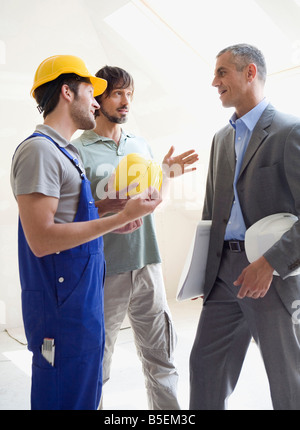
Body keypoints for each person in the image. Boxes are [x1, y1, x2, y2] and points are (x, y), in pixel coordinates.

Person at [10, 55, 162, 411]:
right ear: (66, 92)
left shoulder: (65, 153)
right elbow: (42, 238)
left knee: (84, 396)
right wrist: (120, 216)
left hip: (82, 299)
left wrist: (109, 207)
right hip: (59, 306)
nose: (96, 103)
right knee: (63, 397)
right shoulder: (38, 151)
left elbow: (68, 214)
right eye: (90, 94)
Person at [73, 65, 198, 410]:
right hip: (103, 268)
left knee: (162, 358)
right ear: (98, 99)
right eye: (117, 93)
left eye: (130, 94)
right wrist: (112, 208)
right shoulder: (77, 150)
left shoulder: (140, 145)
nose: (126, 101)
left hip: (148, 262)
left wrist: (167, 175)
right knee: (97, 362)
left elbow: (154, 202)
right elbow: (72, 215)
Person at [189, 43, 300, 410]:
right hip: (223, 277)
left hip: (271, 275)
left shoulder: (290, 131)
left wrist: (269, 264)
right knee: (204, 368)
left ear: (250, 72)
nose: (214, 81)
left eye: (222, 72)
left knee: (288, 379)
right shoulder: (221, 139)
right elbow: (211, 212)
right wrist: (202, 275)